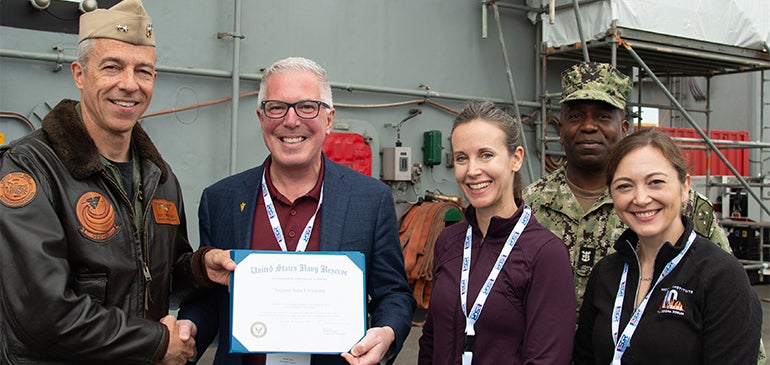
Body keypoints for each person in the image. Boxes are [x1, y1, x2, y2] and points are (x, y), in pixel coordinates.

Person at [0, 0, 235, 364]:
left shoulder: (159, 176)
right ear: (79, 73)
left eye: (144, 71)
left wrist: (199, 267)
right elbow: (43, 313)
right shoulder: (29, 168)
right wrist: (157, 343)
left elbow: (156, 271)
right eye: (112, 67)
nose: (129, 84)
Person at [177, 57, 416, 365]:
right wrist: (189, 328)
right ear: (261, 117)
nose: (291, 121)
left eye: (307, 107)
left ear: (329, 119)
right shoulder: (220, 200)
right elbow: (209, 299)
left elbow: (394, 294)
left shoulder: (370, 200)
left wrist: (387, 331)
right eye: (277, 107)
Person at [573, 128, 762, 364]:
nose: (640, 198)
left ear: (684, 188)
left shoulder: (721, 277)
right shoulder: (606, 273)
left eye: (656, 182)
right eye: (624, 186)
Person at [418, 100, 576, 365]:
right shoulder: (449, 241)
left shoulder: (545, 254)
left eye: (486, 155)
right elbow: (431, 340)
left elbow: (546, 359)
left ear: (516, 159)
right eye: (461, 158)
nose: (472, 171)